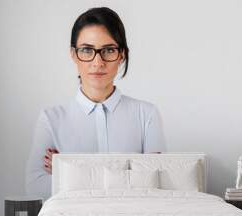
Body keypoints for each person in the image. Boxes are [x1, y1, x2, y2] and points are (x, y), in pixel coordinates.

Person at [25, 7, 166, 200]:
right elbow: (35, 187)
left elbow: (157, 185)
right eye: (87, 50)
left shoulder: (146, 114)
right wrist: (129, 175)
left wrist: (70, 174)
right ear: (74, 54)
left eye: (108, 50)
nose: (98, 62)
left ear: (122, 54)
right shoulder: (51, 119)